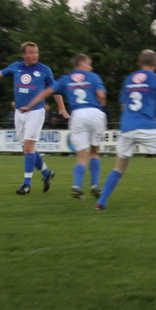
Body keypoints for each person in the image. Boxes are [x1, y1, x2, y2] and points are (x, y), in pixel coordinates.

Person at [95, 49, 156, 211]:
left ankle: (101, 203)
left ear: (139, 62)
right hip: (147, 127)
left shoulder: (129, 79)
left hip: (126, 128)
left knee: (118, 168)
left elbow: (123, 105)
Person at [0, 43, 62, 194]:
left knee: (29, 145)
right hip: (19, 113)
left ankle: (26, 184)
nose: (35, 55)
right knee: (27, 149)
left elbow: (55, 90)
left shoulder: (44, 70)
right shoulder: (16, 66)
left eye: (36, 52)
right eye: (31, 52)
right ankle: (46, 173)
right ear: (24, 55)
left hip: (36, 111)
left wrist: (61, 107)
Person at [22, 53, 107, 200]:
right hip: (95, 114)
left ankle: (77, 185)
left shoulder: (66, 78)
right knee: (94, 152)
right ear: (81, 63)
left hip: (78, 115)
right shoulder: (93, 77)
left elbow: (46, 92)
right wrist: (101, 101)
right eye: (89, 64)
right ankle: (94, 185)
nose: (91, 67)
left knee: (81, 155)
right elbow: (101, 95)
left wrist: (29, 106)